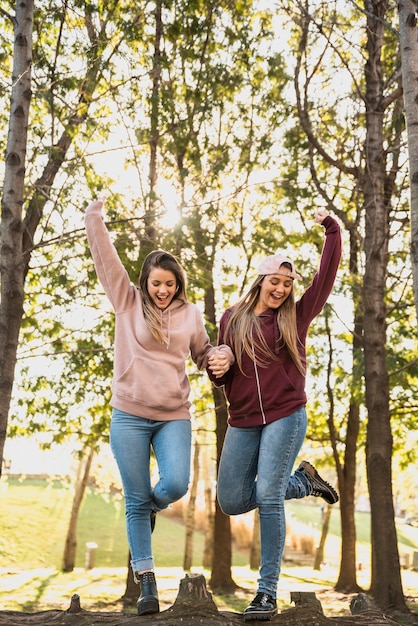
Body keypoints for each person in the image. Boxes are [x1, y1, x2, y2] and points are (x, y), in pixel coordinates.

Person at [85, 197, 234, 616]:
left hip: (173, 416)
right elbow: (106, 261)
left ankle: (146, 508)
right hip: (129, 416)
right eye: (156, 284)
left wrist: (220, 356)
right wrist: (94, 219)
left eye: (170, 284)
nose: (163, 290)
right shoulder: (127, 301)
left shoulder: (189, 315)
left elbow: (205, 354)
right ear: (145, 283)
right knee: (134, 498)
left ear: (178, 284)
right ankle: (147, 582)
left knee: (174, 486)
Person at [207, 209, 342, 621]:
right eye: (275, 282)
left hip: (286, 414)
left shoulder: (296, 317)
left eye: (287, 283)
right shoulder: (232, 318)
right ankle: (303, 482)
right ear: (261, 282)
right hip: (243, 420)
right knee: (230, 500)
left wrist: (332, 230)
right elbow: (221, 372)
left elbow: (325, 277)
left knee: (267, 495)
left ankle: (266, 594)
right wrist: (220, 363)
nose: (281, 289)